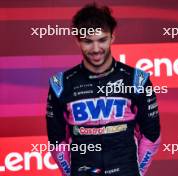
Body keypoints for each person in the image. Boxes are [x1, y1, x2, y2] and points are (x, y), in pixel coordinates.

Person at [46, 3, 161, 176]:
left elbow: (152, 136)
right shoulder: (60, 83)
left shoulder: (137, 79)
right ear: (77, 40)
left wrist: (137, 171)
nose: (96, 49)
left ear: (112, 37)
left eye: (102, 40)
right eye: (88, 41)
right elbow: (57, 140)